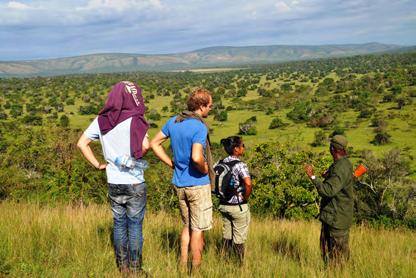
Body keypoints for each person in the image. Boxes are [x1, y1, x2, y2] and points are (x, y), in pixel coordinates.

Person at [77, 81, 149, 273]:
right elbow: (146, 146)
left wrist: (98, 164)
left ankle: (122, 268)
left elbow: (82, 143)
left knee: (118, 224)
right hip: (134, 181)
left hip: (113, 181)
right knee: (134, 226)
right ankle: (136, 269)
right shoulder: (135, 119)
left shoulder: (101, 120)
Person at [150, 88, 213, 272]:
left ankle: (182, 265)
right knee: (198, 229)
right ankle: (196, 269)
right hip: (198, 185)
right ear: (201, 107)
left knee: (187, 225)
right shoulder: (199, 127)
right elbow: (196, 157)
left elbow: (154, 143)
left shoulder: (174, 121)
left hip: (179, 183)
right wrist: (205, 169)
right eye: (209, 106)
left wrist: (172, 163)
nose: (210, 109)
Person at [304, 135, 354, 267]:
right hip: (334, 217)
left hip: (336, 219)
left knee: (337, 259)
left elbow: (328, 190)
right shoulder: (344, 164)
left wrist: (313, 176)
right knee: (329, 253)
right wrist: (329, 174)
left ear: (332, 149)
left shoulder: (340, 168)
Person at [215, 136, 252, 265]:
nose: (244, 147)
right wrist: (245, 198)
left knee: (227, 236)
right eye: (242, 145)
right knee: (239, 239)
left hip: (223, 205)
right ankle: (239, 266)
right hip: (238, 206)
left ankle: (225, 262)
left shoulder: (220, 163)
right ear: (236, 149)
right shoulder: (240, 165)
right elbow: (248, 184)